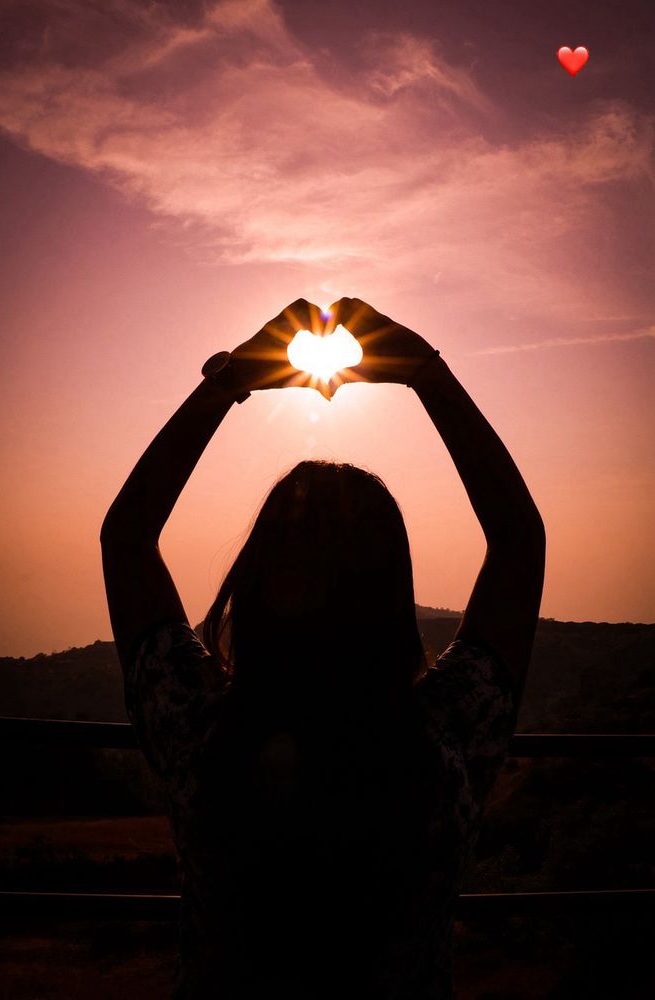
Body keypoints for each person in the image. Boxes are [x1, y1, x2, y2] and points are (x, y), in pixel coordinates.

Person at [100, 297, 546, 999]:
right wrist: (426, 373)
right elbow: (519, 543)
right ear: (393, 599)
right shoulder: (447, 744)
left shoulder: (199, 734)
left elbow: (126, 540)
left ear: (253, 586)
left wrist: (229, 379)